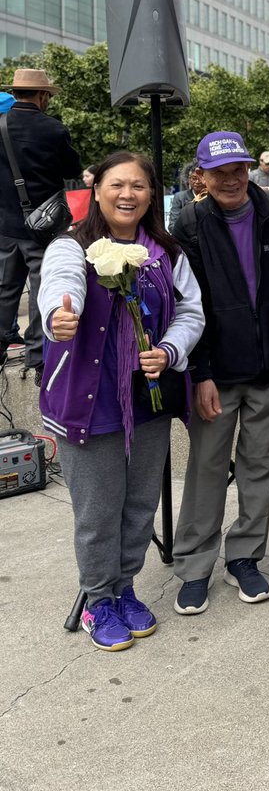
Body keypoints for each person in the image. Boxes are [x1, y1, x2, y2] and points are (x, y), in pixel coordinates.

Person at [37, 151, 203, 650]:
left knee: (139, 504)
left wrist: (170, 350)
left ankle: (126, 587)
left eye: (138, 186)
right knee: (97, 511)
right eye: (117, 185)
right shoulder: (71, 246)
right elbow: (62, 288)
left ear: (152, 195)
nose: (127, 194)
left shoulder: (166, 253)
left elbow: (191, 311)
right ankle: (97, 600)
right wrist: (58, 318)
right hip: (90, 400)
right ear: (97, 190)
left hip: (147, 398)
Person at [171, 131, 269, 615]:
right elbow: (186, 306)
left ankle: (244, 556)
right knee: (207, 469)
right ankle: (195, 565)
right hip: (215, 373)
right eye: (219, 172)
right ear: (201, 176)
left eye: (238, 169)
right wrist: (200, 373)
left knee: (261, 467)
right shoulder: (188, 224)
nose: (231, 179)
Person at [0, 68, 81, 376]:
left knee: (5, 289)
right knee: (41, 288)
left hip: (5, 226)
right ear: (43, 95)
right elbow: (72, 169)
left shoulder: (0, 125)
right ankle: (37, 358)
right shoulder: (53, 130)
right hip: (43, 227)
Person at [167, 163, 205, 232]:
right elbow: (172, 226)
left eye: (200, 178)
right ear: (189, 179)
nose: (197, 182)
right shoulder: (180, 197)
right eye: (194, 178)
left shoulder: (212, 196)